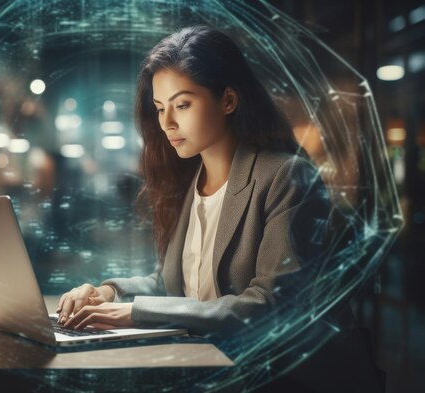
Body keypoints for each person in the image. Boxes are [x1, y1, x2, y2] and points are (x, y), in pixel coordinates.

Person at [56, 26, 383, 391]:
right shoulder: (190, 180)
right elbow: (174, 284)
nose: (166, 123)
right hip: (220, 370)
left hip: (286, 379)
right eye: (160, 108)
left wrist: (133, 313)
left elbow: (269, 305)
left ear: (228, 100)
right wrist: (107, 293)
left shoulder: (286, 177)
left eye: (182, 105)